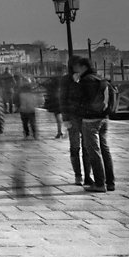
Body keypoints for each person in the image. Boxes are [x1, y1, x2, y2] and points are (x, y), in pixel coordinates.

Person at [72, 56, 115, 193]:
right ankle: (110, 183)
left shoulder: (85, 81)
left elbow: (80, 101)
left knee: (93, 151)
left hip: (90, 120)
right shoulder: (99, 79)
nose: (75, 69)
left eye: (77, 66)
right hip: (104, 118)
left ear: (84, 67)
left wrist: (76, 84)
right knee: (105, 150)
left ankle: (99, 183)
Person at [61, 60, 91, 186]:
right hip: (73, 117)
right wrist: (65, 118)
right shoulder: (67, 81)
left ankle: (87, 176)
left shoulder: (86, 80)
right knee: (75, 147)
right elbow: (63, 99)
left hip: (85, 117)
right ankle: (78, 175)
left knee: (86, 147)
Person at [43, 71, 65, 138]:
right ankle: (62, 131)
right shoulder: (61, 83)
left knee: (58, 117)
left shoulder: (51, 84)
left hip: (55, 101)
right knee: (63, 116)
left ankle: (59, 131)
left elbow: (44, 84)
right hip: (61, 100)